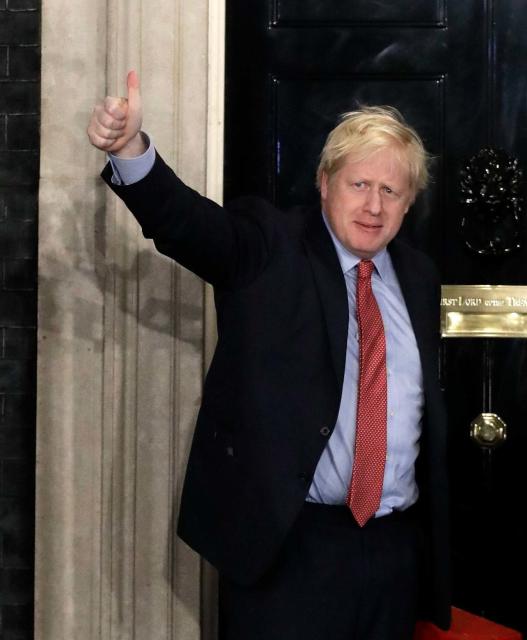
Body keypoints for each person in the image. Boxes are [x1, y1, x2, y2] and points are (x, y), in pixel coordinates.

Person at [87, 71, 451, 639]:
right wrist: (132, 150)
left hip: (391, 552)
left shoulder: (419, 277)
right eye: (359, 184)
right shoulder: (271, 245)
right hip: (288, 546)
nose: (374, 206)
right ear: (325, 183)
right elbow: (191, 226)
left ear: (409, 203)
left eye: (392, 191)